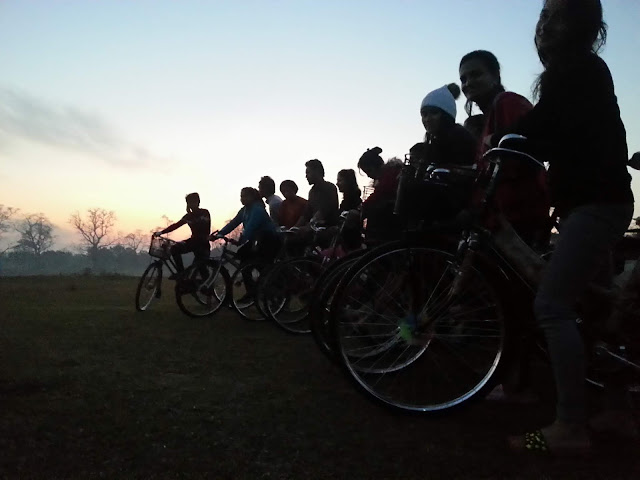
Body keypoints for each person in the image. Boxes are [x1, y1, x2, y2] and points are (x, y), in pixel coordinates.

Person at [495, 0, 634, 454]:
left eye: (556, 14)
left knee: (551, 305)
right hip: (592, 203)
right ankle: (615, 409)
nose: (545, 23)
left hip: (598, 204)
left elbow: (546, 124)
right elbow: (558, 131)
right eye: (543, 14)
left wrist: (506, 139)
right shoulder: (582, 71)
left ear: (582, 25)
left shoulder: (577, 70)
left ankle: (571, 426)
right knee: (600, 311)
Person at [459, 49, 551, 246]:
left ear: (495, 76)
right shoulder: (486, 118)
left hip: (518, 214)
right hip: (498, 216)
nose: (468, 83)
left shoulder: (508, 102)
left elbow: (520, 154)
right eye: (463, 79)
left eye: (476, 74)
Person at [212, 187, 281, 304]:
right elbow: (233, 223)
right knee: (243, 259)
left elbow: (250, 227)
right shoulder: (244, 210)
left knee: (258, 264)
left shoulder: (257, 209)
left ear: (253, 197)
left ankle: (270, 285)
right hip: (257, 240)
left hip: (269, 240)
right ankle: (253, 291)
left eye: (245, 196)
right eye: (241, 196)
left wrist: (241, 240)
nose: (242, 198)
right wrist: (220, 234)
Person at [154, 193, 211, 279]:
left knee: (201, 268)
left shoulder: (204, 213)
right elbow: (176, 225)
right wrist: (161, 232)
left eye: (193, 202)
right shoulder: (188, 216)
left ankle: (208, 289)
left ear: (198, 202)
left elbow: (204, 227)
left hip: (202, 243)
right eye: (189, 202)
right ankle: (181, 272)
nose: (192, 204)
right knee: (174, 248)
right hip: (194, 241)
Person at [357, 147, 402, 240]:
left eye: (369, 171)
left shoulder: (389, 176)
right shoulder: (389, 174)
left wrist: (364, 206)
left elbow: (379, 194)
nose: (369, 175)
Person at [296, 159, 339, 227]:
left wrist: (309, 226)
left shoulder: (329, 188)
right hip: (315, 226)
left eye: (308, 173)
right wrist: (295, 228)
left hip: (327, 228)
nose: (306, 176)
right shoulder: (312, 192)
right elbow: (306, 214)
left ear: (317, 172)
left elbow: (323, 212)